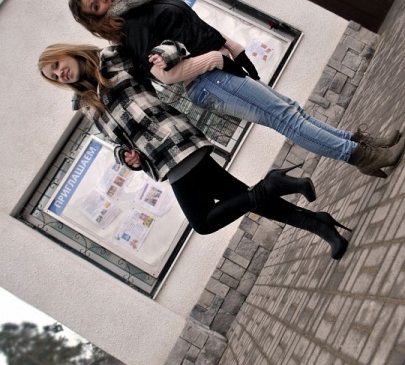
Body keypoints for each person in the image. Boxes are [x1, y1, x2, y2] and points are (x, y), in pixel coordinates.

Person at [68, 0, 404, 179]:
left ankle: (361, 144)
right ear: (97, 19)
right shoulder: (132, 27)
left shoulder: (143, 4)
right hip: (207, 82)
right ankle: (362, 157)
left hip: (219, 71)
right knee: (286, 119)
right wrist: (213, 59)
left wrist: (231, 48)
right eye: (95, 5)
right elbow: (165, 75)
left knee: (291, 110)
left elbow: (193, 30)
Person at [38, 43, 353, 260]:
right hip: (160, 160)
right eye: (54, 76)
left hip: (175, 140)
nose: (59, 73)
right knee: (243, 198)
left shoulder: (112, 58)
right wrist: (126, 157)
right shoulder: (86, 105)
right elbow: (118, 141)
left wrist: (164, 55)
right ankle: (319, 223)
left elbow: (170, 49)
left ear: (67, 53)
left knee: (203, 222)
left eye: (56, 65)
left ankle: (275, 186)